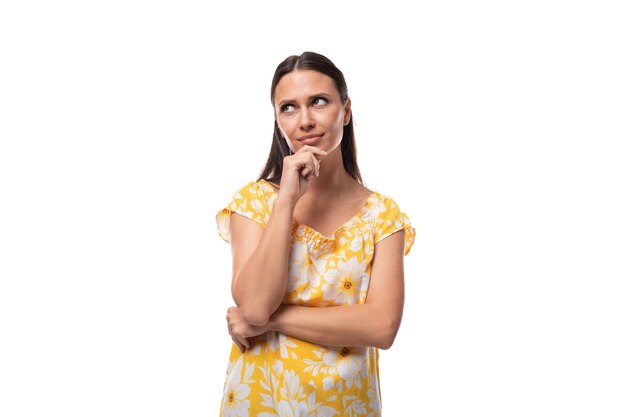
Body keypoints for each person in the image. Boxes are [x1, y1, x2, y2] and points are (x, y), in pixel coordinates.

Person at [215, 51, 415, 416]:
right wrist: (286, 200)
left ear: (347, 110)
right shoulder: (255, 203)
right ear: (277, 121)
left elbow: (382, 325)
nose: (305, 120)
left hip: (346, 406)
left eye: (318, 102)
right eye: (288, 108)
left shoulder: (382, 215)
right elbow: (256, 303)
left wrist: (270, 321)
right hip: (262, 402)